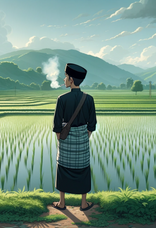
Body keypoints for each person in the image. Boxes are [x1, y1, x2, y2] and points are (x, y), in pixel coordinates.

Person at [52, 63, 97, 211]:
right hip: (82, 139)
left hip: (66, 140)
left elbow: (57, 124)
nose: (64, 79)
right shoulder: (88, 99)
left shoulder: (62, 99)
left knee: (63, 168)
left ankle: (62, 202)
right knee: (83, 169)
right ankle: (83, 204)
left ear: (71, 80)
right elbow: (92, 123)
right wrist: (85, 135)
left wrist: (61, 138)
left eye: (65, 77)